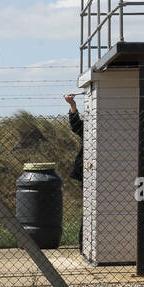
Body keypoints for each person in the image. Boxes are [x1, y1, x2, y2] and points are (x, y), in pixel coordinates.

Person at [64, 93, 84, 252]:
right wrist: (72, 105)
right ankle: (84, 243)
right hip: (86, 172)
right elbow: (76, 125)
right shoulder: (90, 129)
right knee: (89, 207)